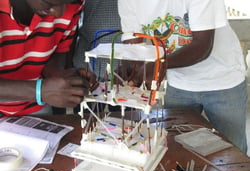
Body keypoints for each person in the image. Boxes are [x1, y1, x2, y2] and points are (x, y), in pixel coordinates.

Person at [117, 0, 248, 153]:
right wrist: (131, 70)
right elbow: (133, 46)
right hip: (178, 83)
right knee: (174, 148)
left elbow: (202, 45)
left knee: (233, 153)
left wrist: (158, 66)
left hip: (222, 80)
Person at [0, 0, 98, 117]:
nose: (59, 13)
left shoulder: (74, 3)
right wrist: (40, 91)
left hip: (35, 107)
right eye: (48, 3)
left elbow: (56, 52)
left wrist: (57, 75)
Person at [73, 0, 121, 113]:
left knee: (125, 119)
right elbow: (71, 18)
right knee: (86, 119)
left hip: (124, 62)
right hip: (87, 61)